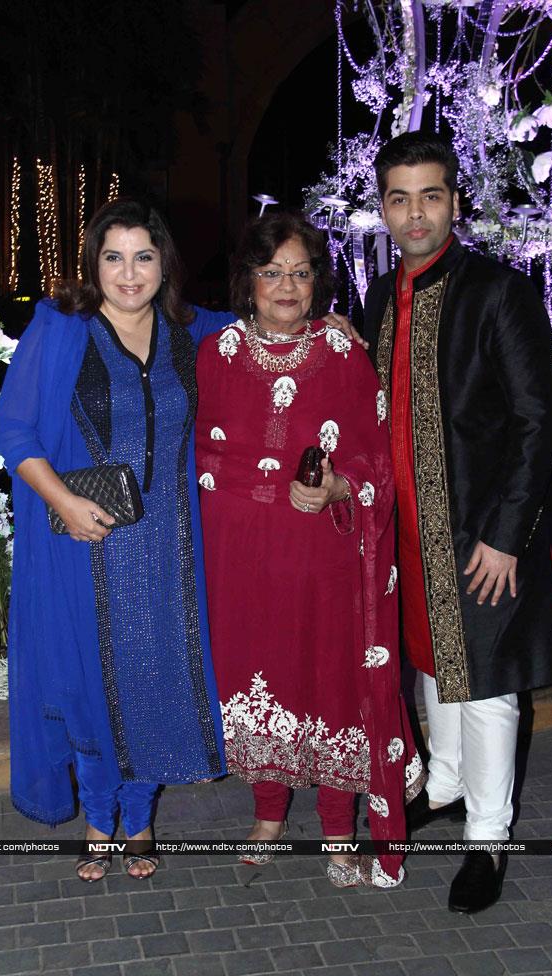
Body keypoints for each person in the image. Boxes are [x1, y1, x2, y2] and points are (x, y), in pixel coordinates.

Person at [363, 131, 552, 912]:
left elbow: (538, 420)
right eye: (399, 197)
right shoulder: (379, 298)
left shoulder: (498, 291)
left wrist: (505, 533)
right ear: (384, 208)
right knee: (430, 664)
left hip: (479, 537)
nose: (415, 213)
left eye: (431, 195)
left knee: (486, 688)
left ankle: (488, 839)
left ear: (456, 202)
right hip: (407, 533)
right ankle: (448, 784)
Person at [0, 198, 237, 881]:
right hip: (88, 536)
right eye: (114, 257)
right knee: (92, 678)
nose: (130, 273)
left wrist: (327, 327)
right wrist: (64, 503)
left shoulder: (192, 330)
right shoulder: (61, 328)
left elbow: (273, 330)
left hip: (169, 544)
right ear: (94, 264)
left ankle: (141, 811)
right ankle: (102, 812)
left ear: (165, 264)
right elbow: (13, 434)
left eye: (145, 256)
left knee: (152, 672)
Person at [196, 211, 425, 887]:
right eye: (272, 273)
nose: (287, 287)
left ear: (317, 281)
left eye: (300, 273)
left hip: (325, 560)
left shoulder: (343, 354)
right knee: (257, 677)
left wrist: (336, 492)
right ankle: (268, 814)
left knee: (328, 680)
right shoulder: (216, 352)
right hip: (241, 561)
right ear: (249, 280)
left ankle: (335, 827)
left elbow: (377, 462)